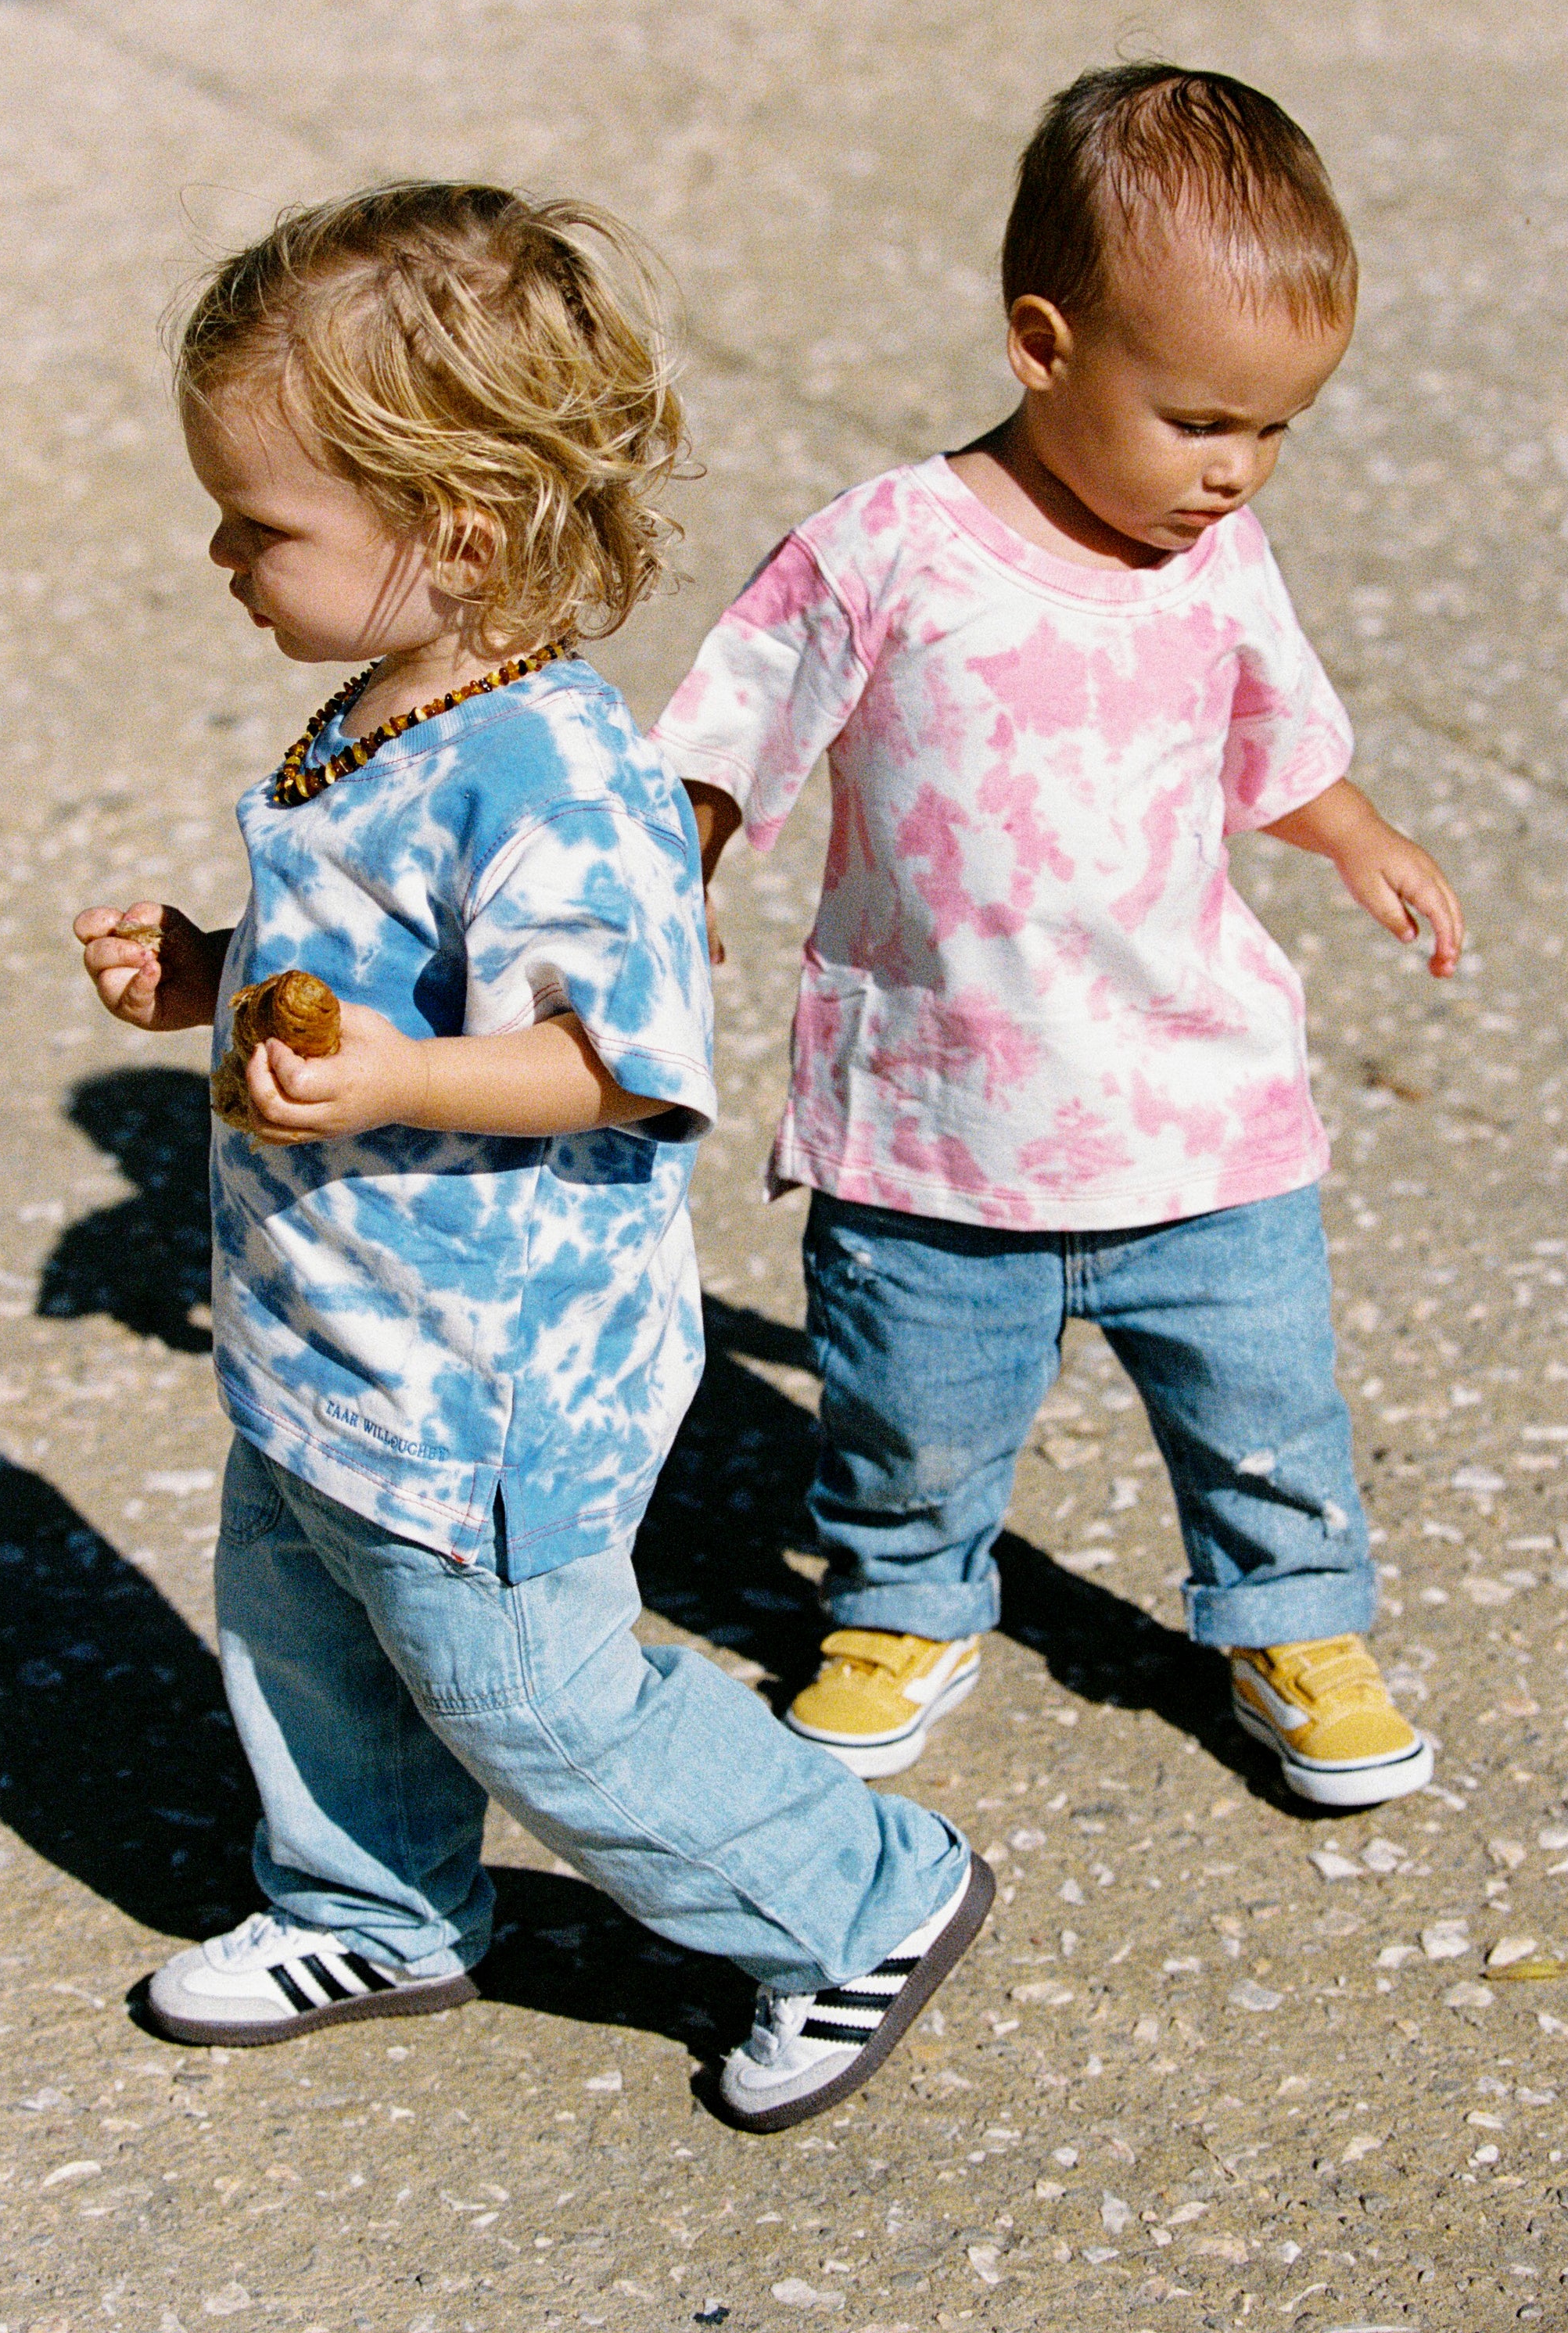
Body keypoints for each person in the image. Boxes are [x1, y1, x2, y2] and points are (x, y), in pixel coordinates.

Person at [74, 184, 991, 2130]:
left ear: (450, 533)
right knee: (303, 1632)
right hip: (337, 1342)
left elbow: (621, 1058)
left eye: (264, 524)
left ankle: (856, 1899)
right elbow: (365, 977)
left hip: (487, 1380)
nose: (221, 553)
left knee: (533, 1696)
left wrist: (399, 1068)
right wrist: (222, 979)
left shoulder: (561, 777)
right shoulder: (379, 718)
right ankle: (373, 1899)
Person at [653, 66, 1462, 1809]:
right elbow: (730, 735)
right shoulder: (885, 555)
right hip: (941, 1115)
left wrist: (1355, 834)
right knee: (906, 1415)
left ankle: (1293, 1619)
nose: (1234, 474)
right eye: (1196, 422)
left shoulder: (1218, 559)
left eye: (1275, 430)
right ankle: (898, 1600)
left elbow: (1274, 732)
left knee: (1265, 1406)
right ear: (1042, 344)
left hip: (1198, 1108)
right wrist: (675, 880)